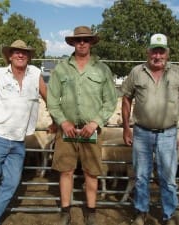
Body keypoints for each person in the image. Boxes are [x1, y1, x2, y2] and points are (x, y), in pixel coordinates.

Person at [47, 26, 117, 225]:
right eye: (79, 40)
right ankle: (65, 210)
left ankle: (91, 210)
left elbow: (110, 101)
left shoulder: (102, 69)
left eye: (86, 40)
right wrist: (63, 121)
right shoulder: (61, 68)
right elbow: (52, 100)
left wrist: (96, 122)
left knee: (91, 171)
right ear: (72, 43)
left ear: (92, 42)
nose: (82, 43)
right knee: (66, 170)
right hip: (67, 130)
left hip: (91, 130)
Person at [121, 34, 179, 225]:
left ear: (167, 53)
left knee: (168, 178)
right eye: (154, 51)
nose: (158, 55)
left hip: (168, 134)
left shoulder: (178, 73)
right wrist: (126, 127)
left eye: (161, 51)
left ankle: (168, 214)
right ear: (148, 52)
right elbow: (126, 98)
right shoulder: (137, 72)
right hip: (141, 133)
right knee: (141, 176)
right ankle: (141, 211)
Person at [0, 40, 52, 225]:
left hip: (19, 140)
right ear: (10, 56)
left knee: (11, 183)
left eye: (24, 52)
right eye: (16, 52)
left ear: (28, 56)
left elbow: (47, 96)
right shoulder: (0, 74)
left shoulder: (35, 73)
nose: (20, 55)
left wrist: (57, 120)